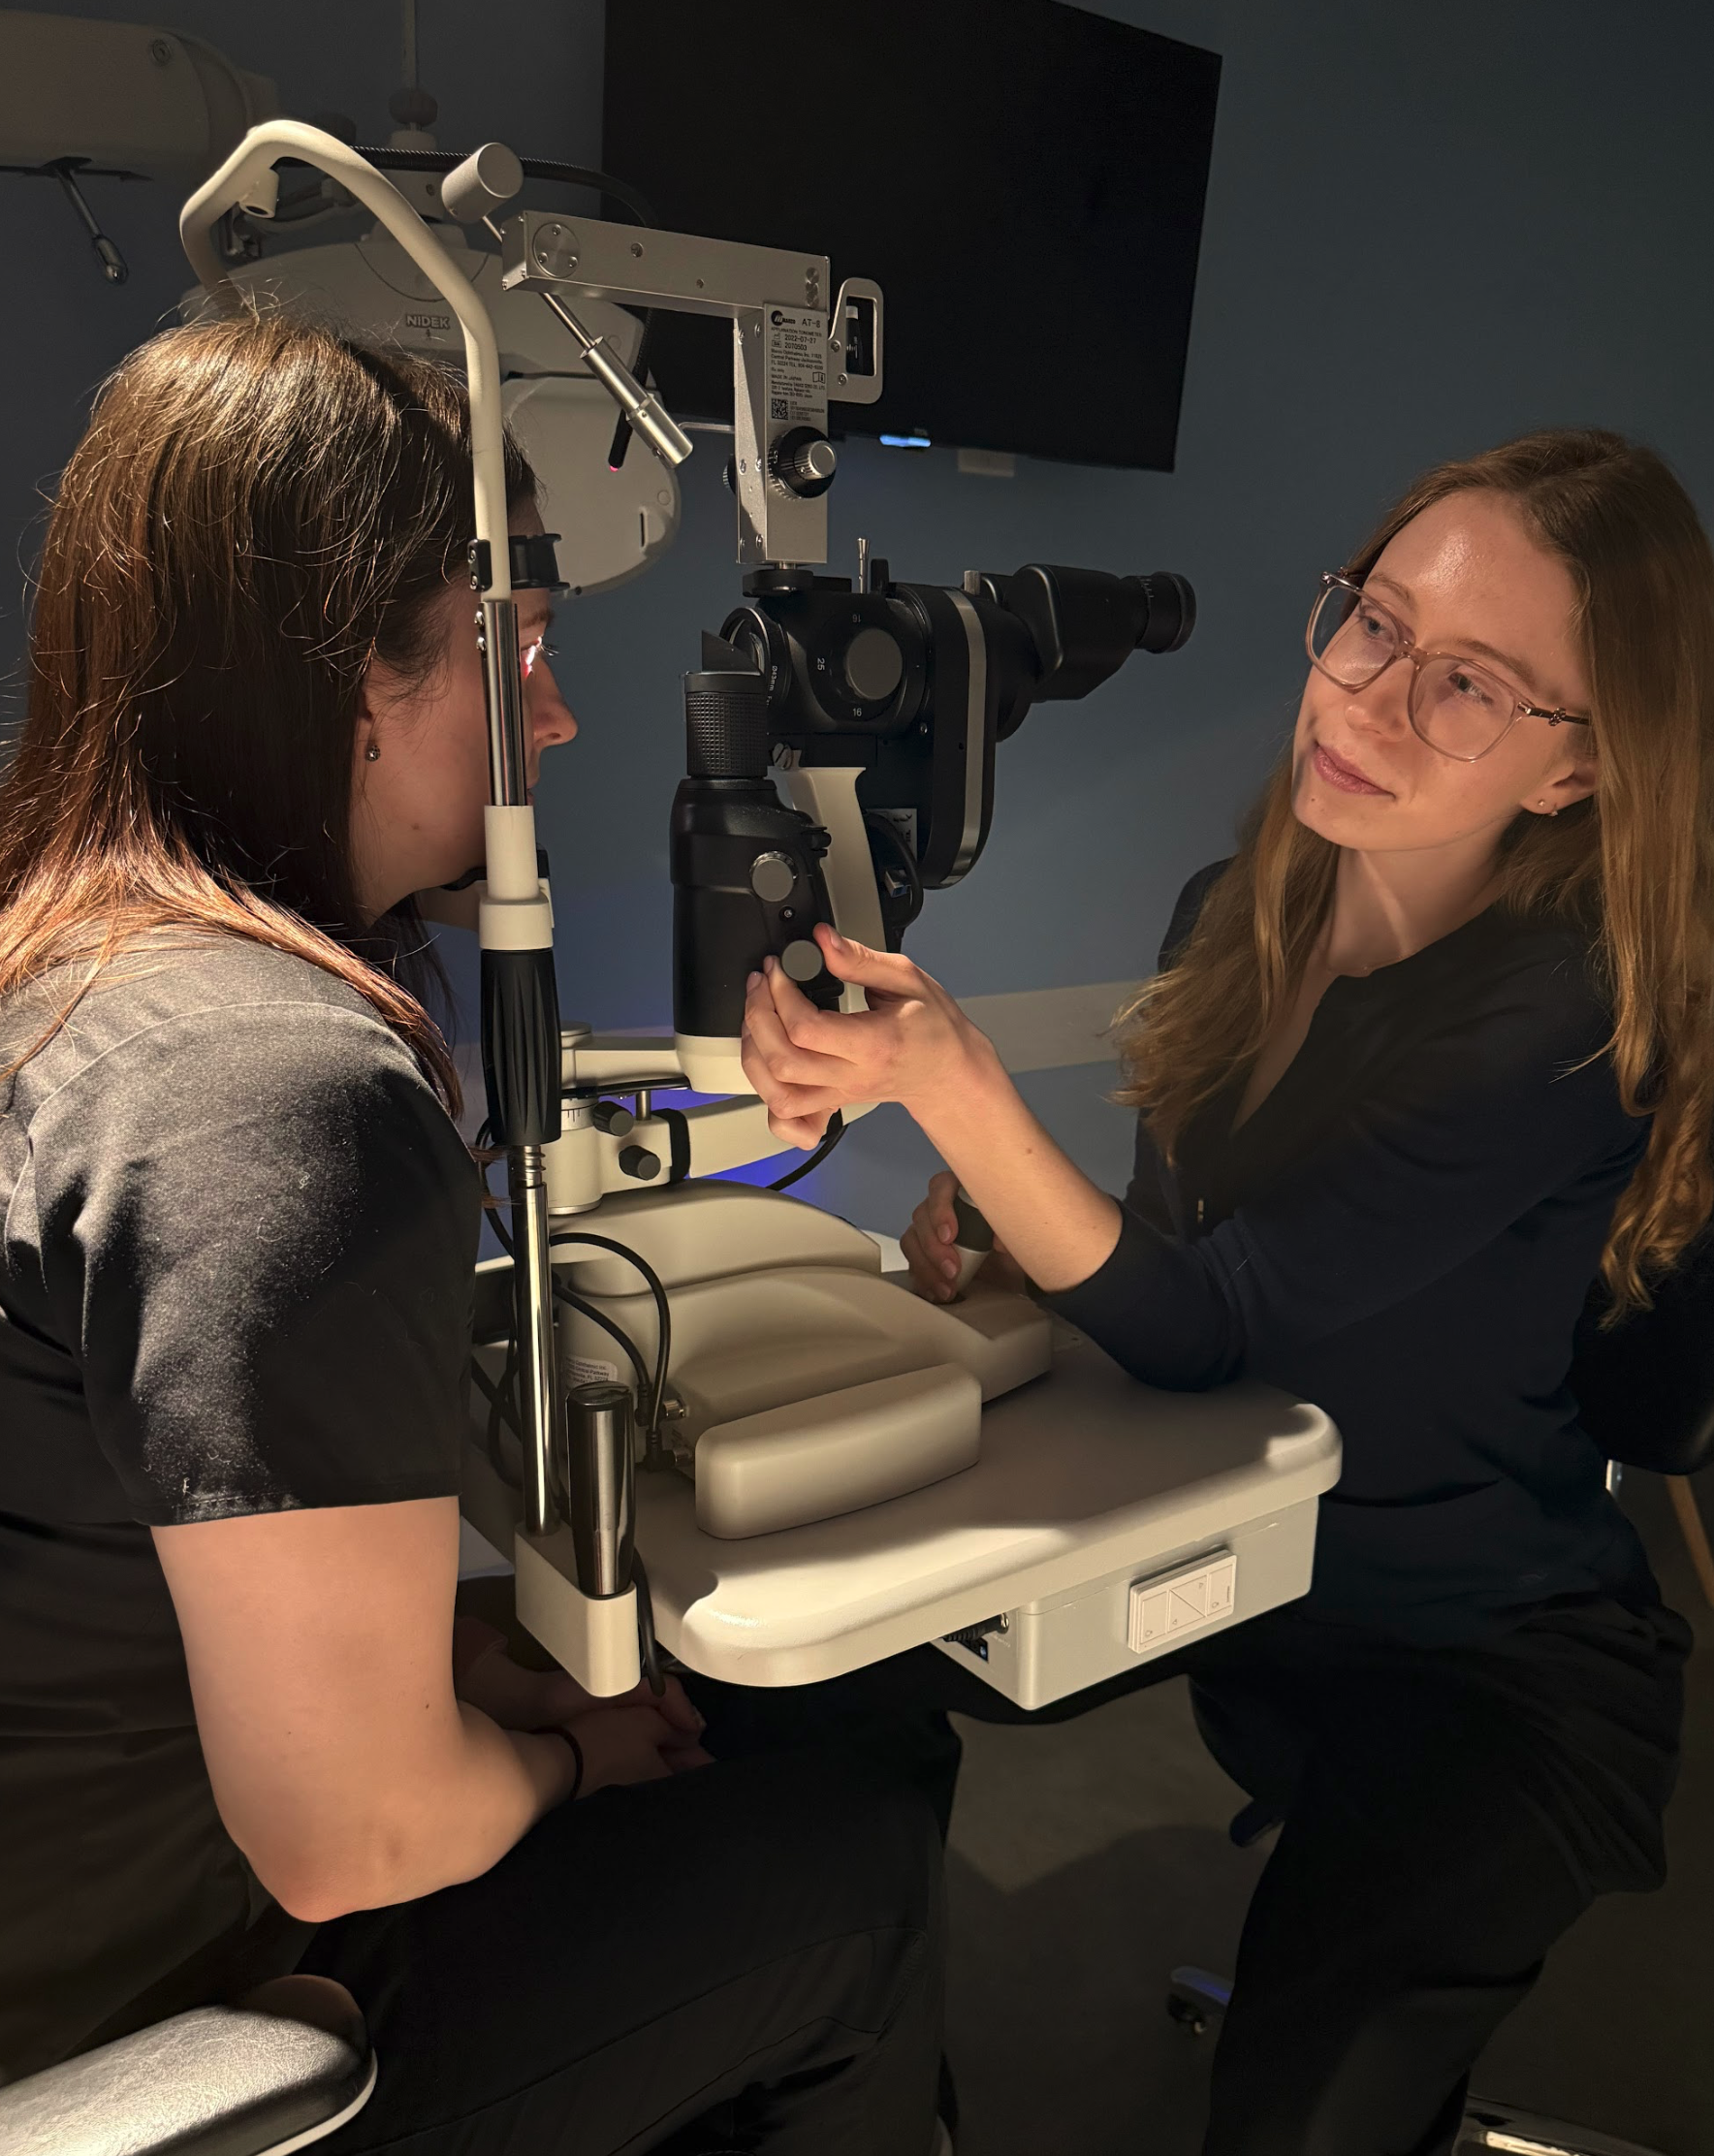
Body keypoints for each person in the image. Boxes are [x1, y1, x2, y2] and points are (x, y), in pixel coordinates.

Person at [0, 313, 946, 2156]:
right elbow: (353, 1833)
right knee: (865, 1866)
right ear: (351, 670)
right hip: (153, 2021)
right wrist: (561, 1755)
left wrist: (437, 1665)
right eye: (516, 642)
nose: (558, 710)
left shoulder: (67, 966)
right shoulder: (275, 1097)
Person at [738, 428, 1710, 2156]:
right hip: (1257, 1569)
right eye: (1375, 625)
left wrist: (964, 1091)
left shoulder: (1557, 1017)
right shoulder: (1233, 913)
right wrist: (1018, 1213)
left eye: (1474, 685)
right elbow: (1224, 1267)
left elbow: (1219, 1331)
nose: (1376, 699)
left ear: (1576, 772)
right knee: (806, 1684)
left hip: (1489, 1670)